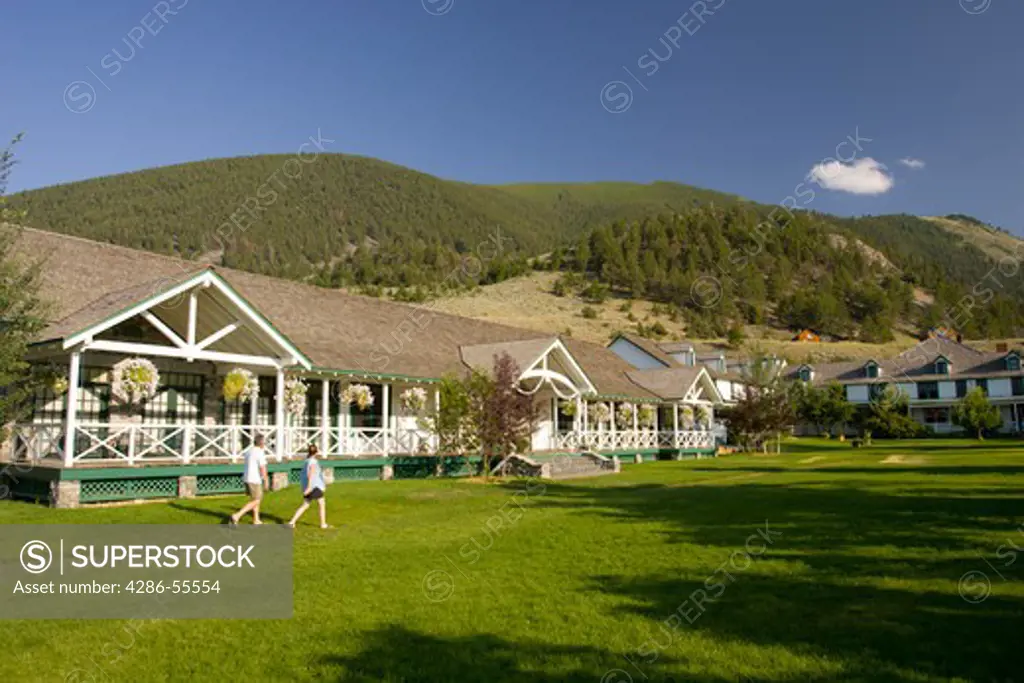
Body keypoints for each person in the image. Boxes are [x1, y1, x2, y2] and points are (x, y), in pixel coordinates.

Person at [230, 434, 269, 525]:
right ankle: (237, 515)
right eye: (264, 442)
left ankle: (256, 519)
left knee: (254, 499)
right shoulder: (260, 452)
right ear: (262, 443)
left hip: (247, 478)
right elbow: (262, 467)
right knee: (257, 500)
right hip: (254, 479)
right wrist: (266, 480)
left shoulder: (249, 451)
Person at [287, 444, 329, 529]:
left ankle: (292, 522)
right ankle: (323, 524)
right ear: (316, 452)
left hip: (309, 486)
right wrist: (309, 487)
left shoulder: (307, 461)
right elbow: (311, 475)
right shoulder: (313, 462)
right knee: (321, 503)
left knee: (305, 505)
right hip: (314, 486)